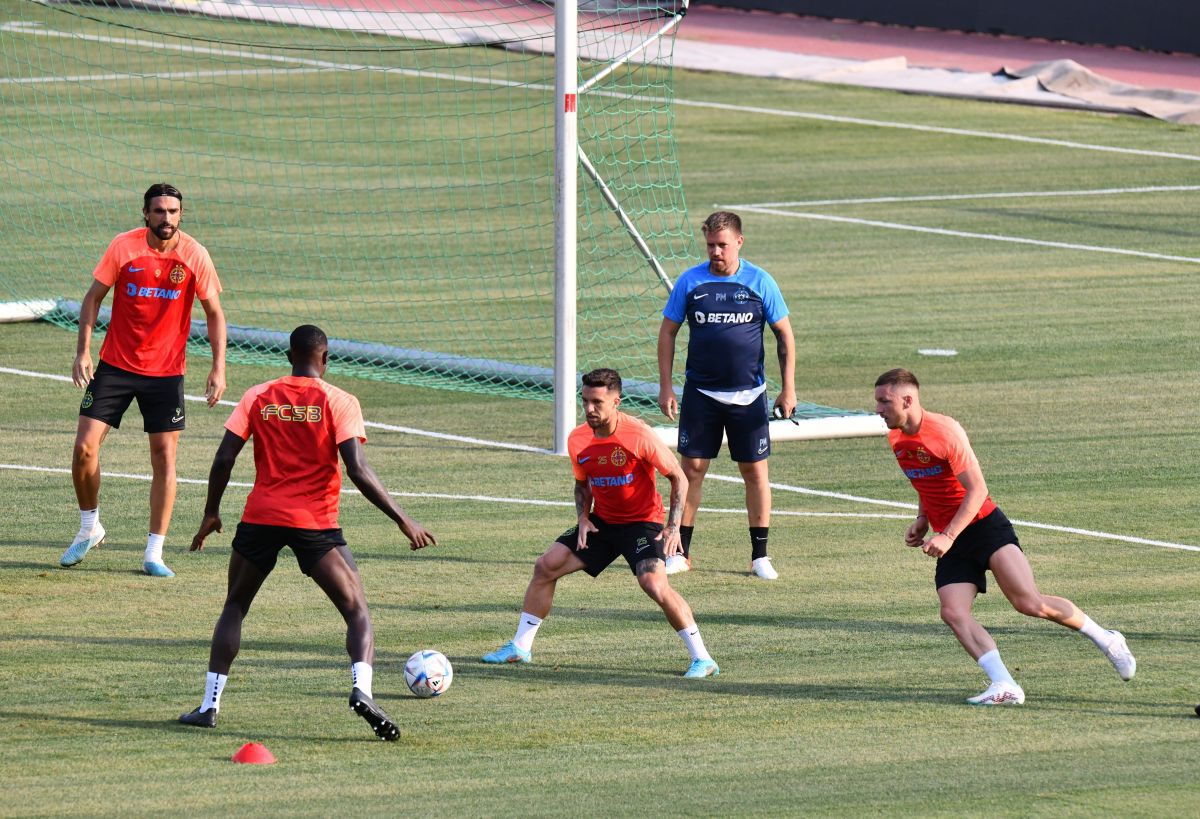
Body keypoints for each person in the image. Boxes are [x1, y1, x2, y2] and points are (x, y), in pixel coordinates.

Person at [179, 325, 437, 740]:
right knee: (356, 611)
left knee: (236, 607)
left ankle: (209, 706)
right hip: (314, 523)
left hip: (260, 517)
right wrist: (402, 519)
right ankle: (362, 690)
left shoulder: (257, 395)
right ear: (326, 357)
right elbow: (357, 469)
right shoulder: (340, 401)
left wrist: (211, 512)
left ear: (289, 357)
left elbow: (225, 457)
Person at [873, 368, 1136, 705]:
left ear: (907, 400)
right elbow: (927, 481)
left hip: (983, 526)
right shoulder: (895, 437)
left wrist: (949, 534)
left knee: (1029, 603)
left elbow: (977, 489)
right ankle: (1004, 685)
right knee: (953, 613)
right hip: (949, 536)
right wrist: (923, 518)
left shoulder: (946, 432)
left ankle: (1108, 640)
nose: (878, 409)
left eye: (884, 401)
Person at [481, 368, 719, 678]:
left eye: (597, 402)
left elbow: (678, 477)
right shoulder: (578, 439)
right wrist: (582, 517)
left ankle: (703, 659)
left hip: (641, 523)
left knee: (654, 584)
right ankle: (520, 648)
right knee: (546, 566)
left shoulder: (640, 435)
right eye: (585, 402)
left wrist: (673, 527)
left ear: (616, 402)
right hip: (602, 523)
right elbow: (582, 484)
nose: (590, 409)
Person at [60, 183, 227, 577]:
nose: (166, 218)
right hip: (115, 366)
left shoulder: (195, 255)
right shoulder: (124, 247)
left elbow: (215, 313)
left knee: (164, 459)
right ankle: (90, 526)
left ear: (181, 215)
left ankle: (154, 552)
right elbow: (93, 298)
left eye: (172, 211)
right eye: (159, 211)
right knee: (84, 448)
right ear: (146, 214)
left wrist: (219, 367)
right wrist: (83, 351)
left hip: (166, 373)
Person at [657, 211, 796, 580]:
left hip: (750, 396)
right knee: (692, 471)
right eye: (710, 245)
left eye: (722, 245)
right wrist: (666, 386)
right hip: (701, 394)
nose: (715, 252)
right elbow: (668, 332)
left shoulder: (760, 281)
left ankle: (760, 556)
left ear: (739, 242)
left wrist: (789, 388)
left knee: (754, 472)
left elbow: (785, 336)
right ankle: (680, 552)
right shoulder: (690, 282)